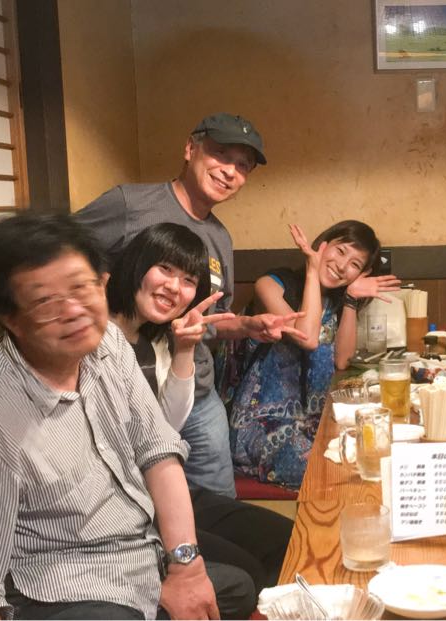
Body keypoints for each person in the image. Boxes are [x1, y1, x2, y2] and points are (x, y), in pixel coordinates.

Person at [0, 214, 218, 620]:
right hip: (64, 589)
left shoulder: (108, 342)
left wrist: (186, 567)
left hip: (139, 546)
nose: (74, 311)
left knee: (249, 575)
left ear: (103, 282)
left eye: (81, 287)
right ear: (11, 318)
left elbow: (157, 450)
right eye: (45, 302)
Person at [75, 112, 302, 498]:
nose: (230, 171)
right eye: (220, 154)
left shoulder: (220, 238)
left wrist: (247, 326)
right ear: (189, 149)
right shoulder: (131, 204)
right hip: (123, 393)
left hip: (195, 391)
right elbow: (63, 256)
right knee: (140, 505)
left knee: (219, 505)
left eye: (243, 165)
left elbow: (208, 321)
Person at [106, 222, 295, 605]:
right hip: (125, 508)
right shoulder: (95, 335)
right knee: (245, 575)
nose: (174, 287)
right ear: (136, 265)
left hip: (161, 491)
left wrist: (184, 349)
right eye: (164, 269)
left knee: (287, 539)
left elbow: (168, 427)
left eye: (188, 280)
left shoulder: (154, 339)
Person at [229, 221, 398, 489]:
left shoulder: (334, 300)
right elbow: (306, 338)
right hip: (260, 426)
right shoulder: (271, 285)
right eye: (340, 251)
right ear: (323, 245)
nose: (342, 266)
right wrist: (311, 269)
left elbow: (342, 360)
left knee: (373, 453)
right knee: (334, 469)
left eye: (354, 264)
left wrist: (351, 299)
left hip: (312, 422)